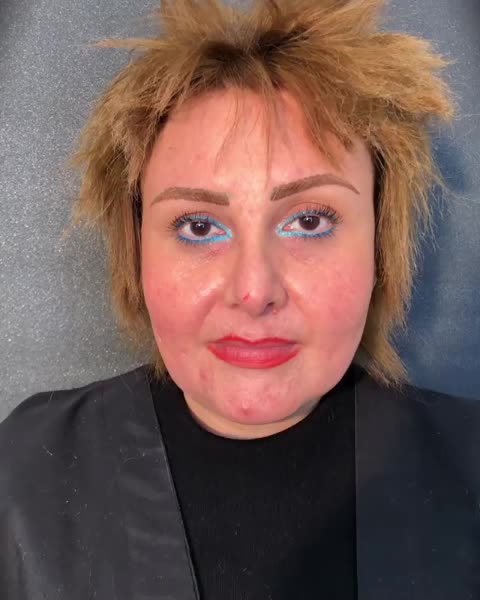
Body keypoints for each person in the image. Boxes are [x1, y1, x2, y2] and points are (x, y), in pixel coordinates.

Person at [1, 0, 479, 598]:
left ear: (380, 247)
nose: (254, 292)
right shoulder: (23, 474)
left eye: (309, 221)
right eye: (199, 226)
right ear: (136, 249)